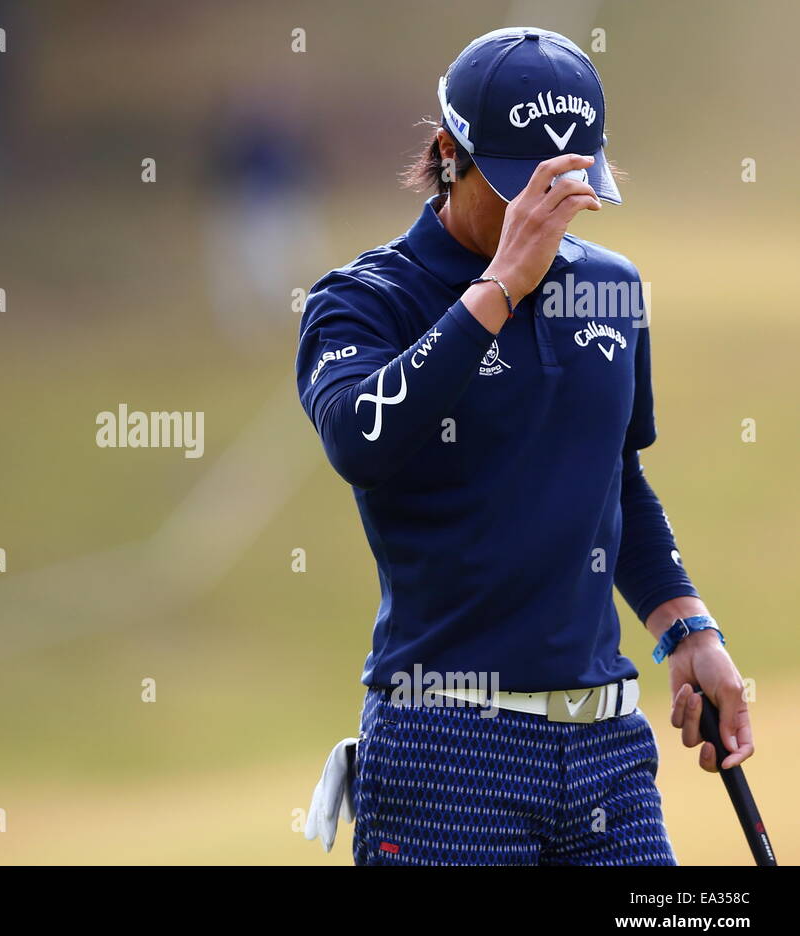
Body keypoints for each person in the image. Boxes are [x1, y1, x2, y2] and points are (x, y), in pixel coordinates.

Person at [295, 27, 752, 865]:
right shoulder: (365, 300)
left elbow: (614, 479)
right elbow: (360, 439)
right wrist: (497, 289)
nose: (541, 217)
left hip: (608, 749)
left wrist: (688, 628)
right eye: (518, 190)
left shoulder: (611, 289)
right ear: (447, 153)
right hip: (445, 754)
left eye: (565, 189)